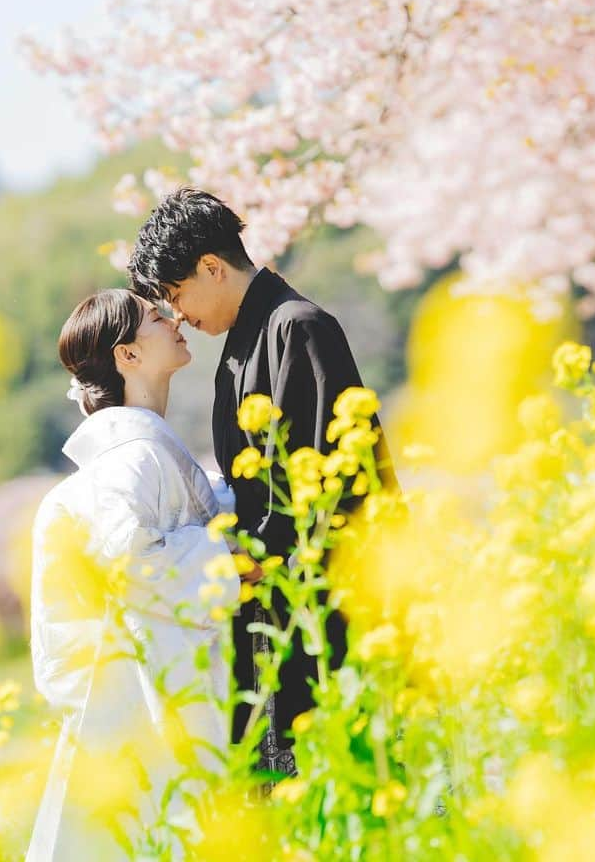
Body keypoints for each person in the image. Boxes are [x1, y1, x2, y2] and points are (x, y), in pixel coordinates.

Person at [128, 187, 395, 775]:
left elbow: (346, 481)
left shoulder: (298, 327)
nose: (179, 317)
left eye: (176, 296)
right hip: (276, 607)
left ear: (212, 267)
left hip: (327, 609)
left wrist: (255, 557)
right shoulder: (242, 344)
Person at [27, 289, 239, 860]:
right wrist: (237, 556)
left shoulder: (138, 453)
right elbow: (134, 565)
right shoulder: (133, 459)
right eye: (154, 317)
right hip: (154, 722)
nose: (174, 320)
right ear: (128, 356)